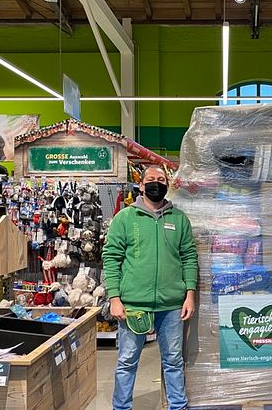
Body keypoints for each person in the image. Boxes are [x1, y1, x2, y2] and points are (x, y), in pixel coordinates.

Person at [103, 165, 199, 410]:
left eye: (161, 179)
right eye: (151, 179)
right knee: (126, 362)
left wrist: (190, 294)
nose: (156, 183)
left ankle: (178, 406)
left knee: (174, 361)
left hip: (171, 306)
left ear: (167, 185)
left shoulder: (179, 219)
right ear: (142, 185)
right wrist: (114, 297)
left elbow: (189, 257)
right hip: (134, 305)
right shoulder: (125, 218)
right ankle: (121, 407)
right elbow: (111, 258)